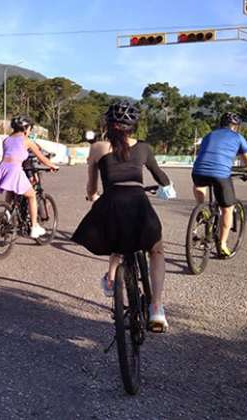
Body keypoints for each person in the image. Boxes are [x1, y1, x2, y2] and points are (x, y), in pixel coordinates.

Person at [72, 102, 174, 332]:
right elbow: (162, 178)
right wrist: (167, 188)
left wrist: (92, 196)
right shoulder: (144, 148)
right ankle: (156, 308)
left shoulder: (98, 147)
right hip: (138, 202)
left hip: (111, 202)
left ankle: (110, 279)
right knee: (156, 249)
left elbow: (91, 187)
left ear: (108, 124)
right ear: (133, 126)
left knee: (115, 239)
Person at [192, 112, 247, 257]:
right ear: (235, 127)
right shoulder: (238, 137)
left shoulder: (209, 135)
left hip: (198, 171)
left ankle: (201, 208)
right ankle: (222, 245)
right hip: (220, 174)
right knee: (228, 209)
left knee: (199, 185)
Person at [0, 116, 58, 238]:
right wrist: (53, 166)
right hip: (15, 169)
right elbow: (42, 158)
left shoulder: (6, 140)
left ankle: (7, 213)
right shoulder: (27, 140)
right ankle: (35, 226)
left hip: (3, 168)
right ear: (26, 128)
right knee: (31, 195)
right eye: (30, 128)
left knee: (10, 189)